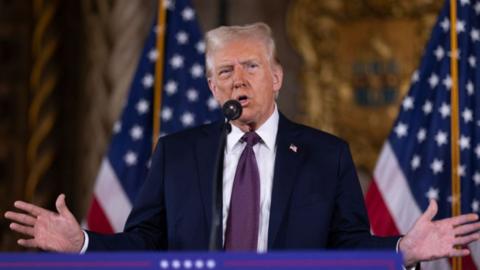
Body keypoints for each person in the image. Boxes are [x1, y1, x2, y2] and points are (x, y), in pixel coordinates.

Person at [4, 22, 480, 267]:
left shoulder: (325, 154)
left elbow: (348, 244)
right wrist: (83, 243)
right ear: (213, 88)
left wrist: (404, 250)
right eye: (225, 73)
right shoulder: (179, 153)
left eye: (250, 67)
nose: (238, 82)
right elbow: (144, 241)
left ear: (275, 78)